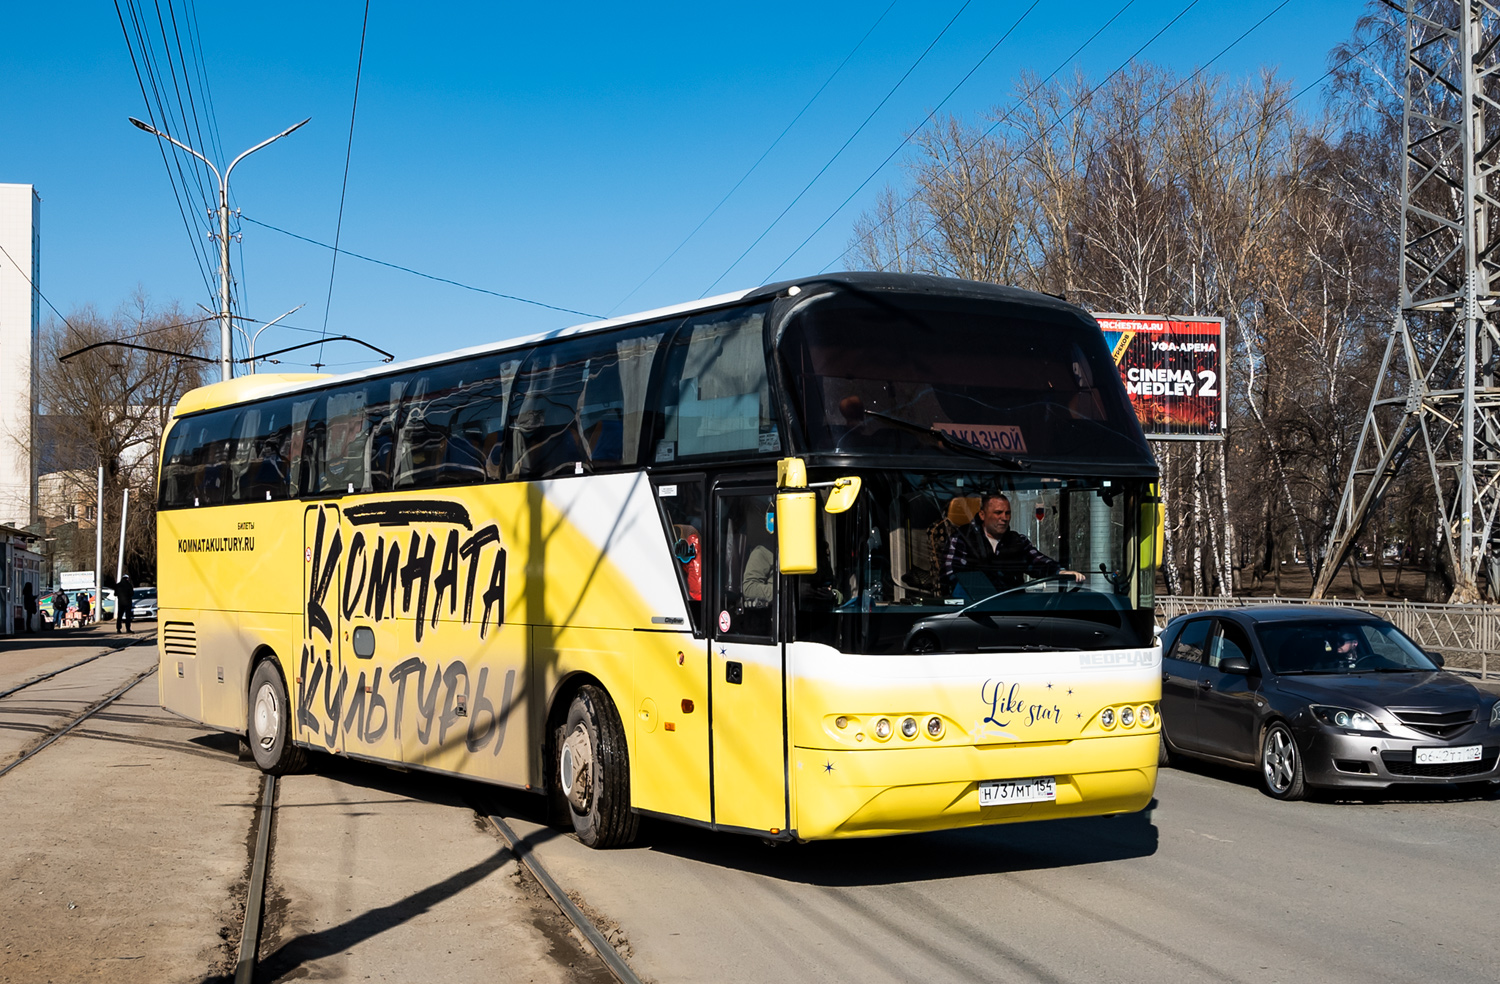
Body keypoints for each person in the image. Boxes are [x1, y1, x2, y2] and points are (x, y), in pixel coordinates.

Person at [942, 492, 1084, 597]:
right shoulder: (962, 539)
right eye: (998, 513)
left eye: (1007, 513)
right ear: (982, 515)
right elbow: (950, 574)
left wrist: (1060, 571)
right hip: (973, 613)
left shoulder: (1017, 541)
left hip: (1012, 612)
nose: (1004, 518)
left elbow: (1037, 561)